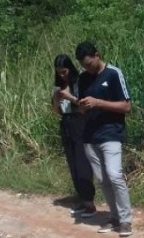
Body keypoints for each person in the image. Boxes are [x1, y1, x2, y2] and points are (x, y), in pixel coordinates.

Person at [74, 41, 134, 237]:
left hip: (111, 132)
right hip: (90, 135)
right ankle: (114, 216)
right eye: (84, 66)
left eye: (90, 64)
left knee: (114, 174)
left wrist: (98, 102)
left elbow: (126, 107)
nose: (88, 69)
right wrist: (81, 106)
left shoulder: (113, 74)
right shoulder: (83, 79)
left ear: (97, 55)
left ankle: (126, 220)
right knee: (102, 178)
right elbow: (80, 107)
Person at [51, 54, 96, 218]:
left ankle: (89, 200)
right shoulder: (59, 86)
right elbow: (56, 111)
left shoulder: (79, 82)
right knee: (72, 162)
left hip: (80, 122)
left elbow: (85, 105)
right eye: (59, 72)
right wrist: (57, 100)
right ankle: (82, 199)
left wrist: (70, 97)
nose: (62, 75)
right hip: (66, 122)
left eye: (64, 71)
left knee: (82, 161)